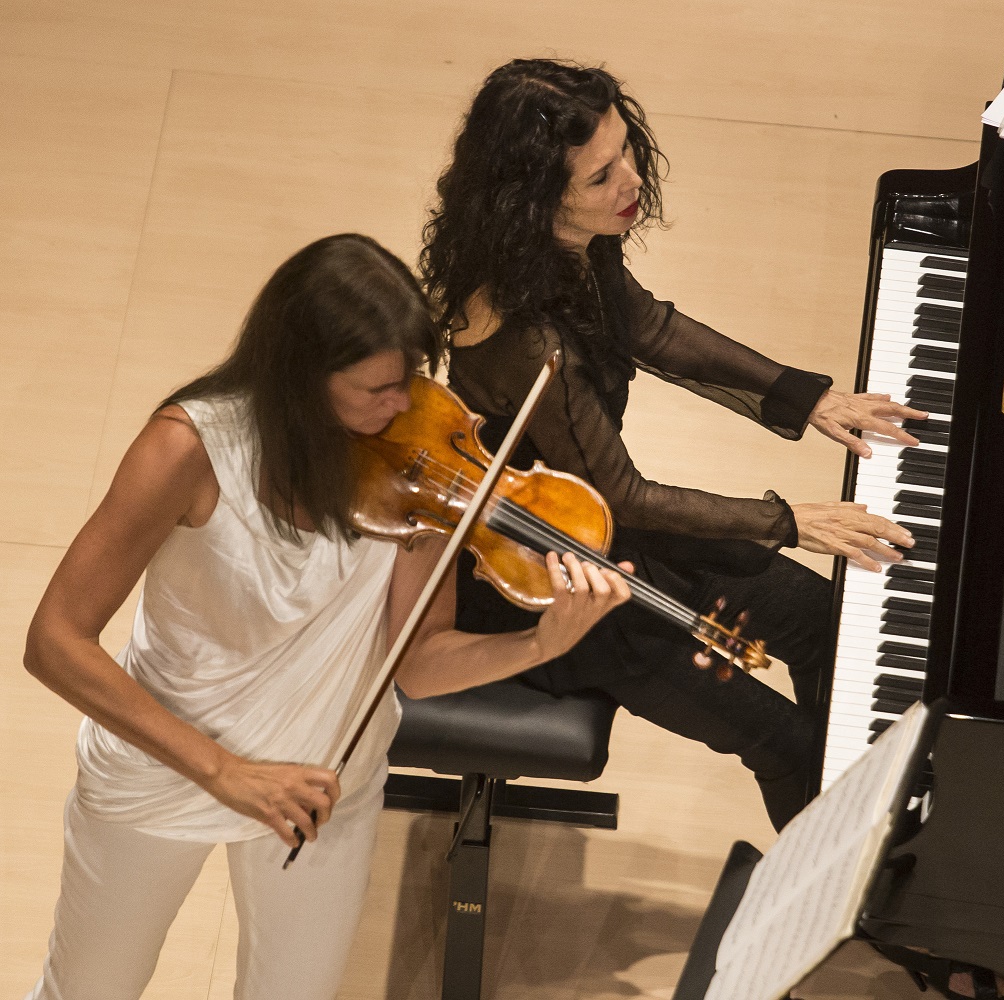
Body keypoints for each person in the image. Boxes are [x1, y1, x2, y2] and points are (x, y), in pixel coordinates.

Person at [21, 233, 631, 1000]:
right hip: (165, 764)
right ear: (302, 376)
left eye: (409, 377)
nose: (404, 404)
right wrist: (226, 772)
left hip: (324, 783)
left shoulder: (415, 464)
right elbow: (53, 641)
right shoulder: (188, 451)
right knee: (89, 989)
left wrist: (542, 641)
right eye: (377, 388)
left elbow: (419, 659)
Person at [420, 59, 925, 831]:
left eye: (625, 151)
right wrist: (788, 520)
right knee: (781, 741)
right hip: (555, 581)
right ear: (532, 197)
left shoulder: (560, 249)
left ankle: (875, 829)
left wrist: (808, 395)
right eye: (599, 176)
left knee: (822, 620)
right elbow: (622, 498)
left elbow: (648, 327)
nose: (628, 180)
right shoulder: (524, 335)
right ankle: (829, 899)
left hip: (610, 530)